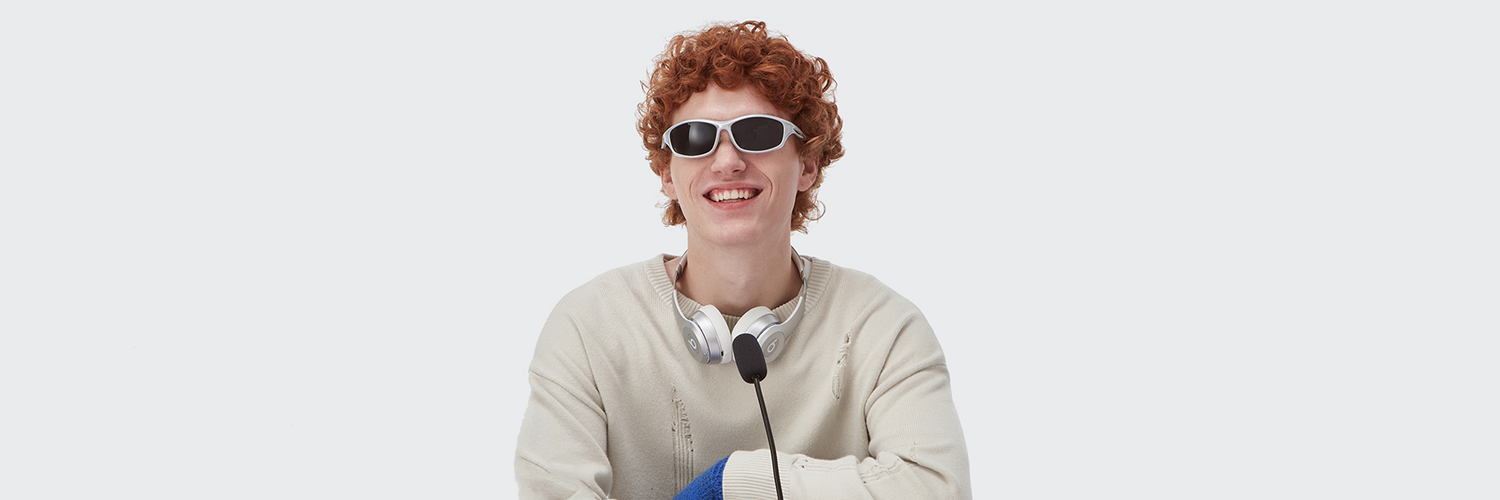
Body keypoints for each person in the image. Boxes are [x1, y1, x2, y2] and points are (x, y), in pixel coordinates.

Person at [515, 20, 970, 500]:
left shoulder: (883, 328)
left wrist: (735, 482)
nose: (727, 161)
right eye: (695, 138)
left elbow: (937, 488)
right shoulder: (588, 327)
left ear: (807, 164)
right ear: (667, 173)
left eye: (758, 133)